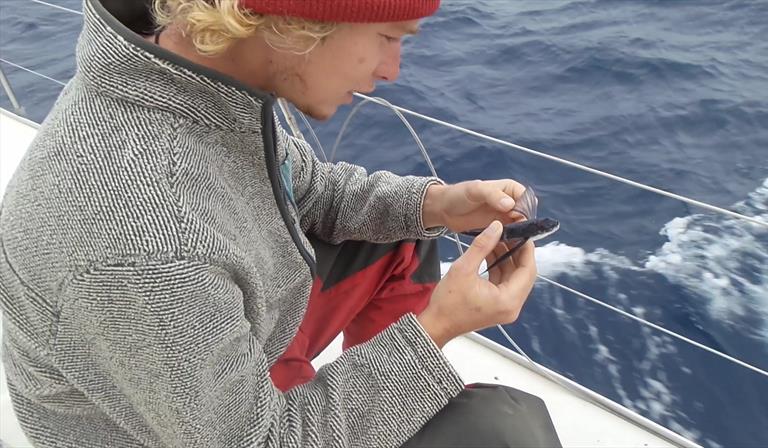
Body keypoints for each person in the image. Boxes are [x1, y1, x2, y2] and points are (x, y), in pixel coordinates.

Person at [0, 0, 561, 446]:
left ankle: (386, 415)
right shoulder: (147, 242)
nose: (392, 71)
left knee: (405, 235)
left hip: (210, 371)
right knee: (507, 429)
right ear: (295, 20)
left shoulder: (195, 81)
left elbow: (311, 192)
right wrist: (435, 328)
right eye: (390, 38)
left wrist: (438, 205)